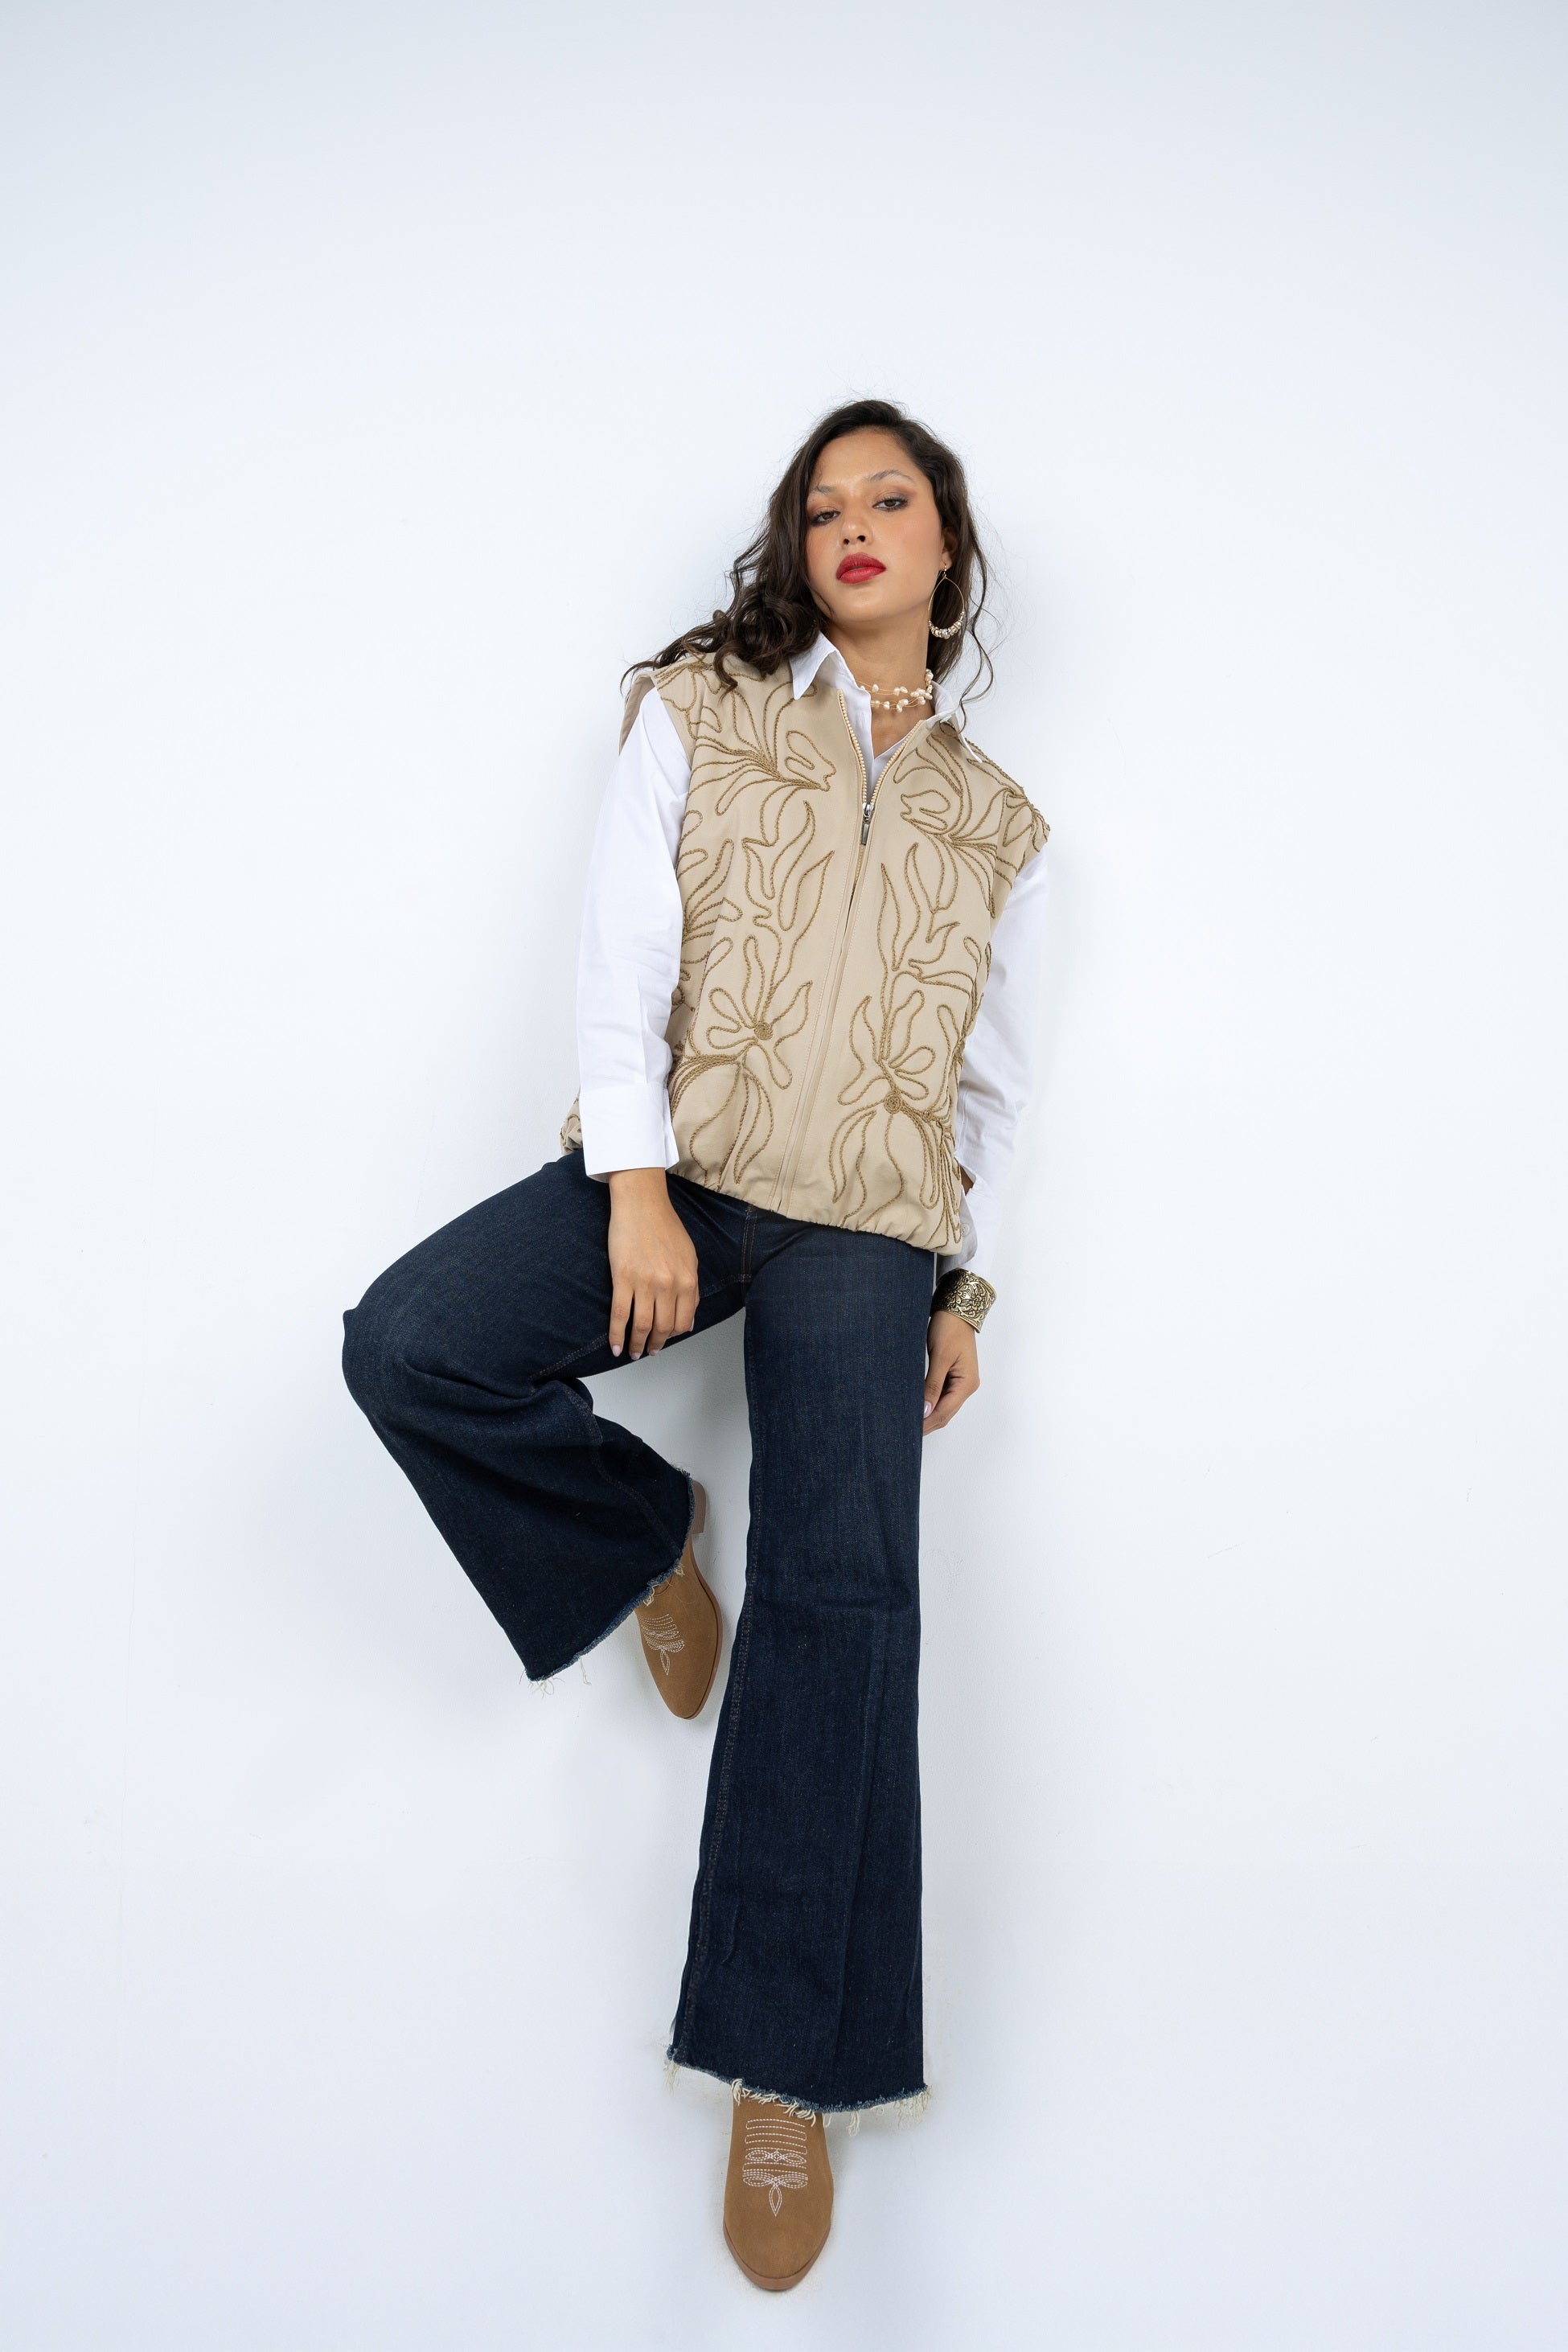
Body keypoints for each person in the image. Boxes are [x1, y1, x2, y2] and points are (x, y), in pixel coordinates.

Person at [341, 397, 1050, 2292]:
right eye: (825, 504)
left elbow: (987, 1082)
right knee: (413, 1344)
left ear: (948, 548)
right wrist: (636, 1180)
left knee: (840, 1586)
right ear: (796, 546)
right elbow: (619, 953)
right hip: (700, 1163)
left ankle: (782, 2060)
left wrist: (961, 1287)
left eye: (893, 497)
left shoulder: (995, 817)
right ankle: (642, 1535)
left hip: (868, 1226)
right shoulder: (701, 708)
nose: (858, 523)